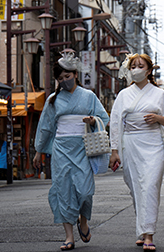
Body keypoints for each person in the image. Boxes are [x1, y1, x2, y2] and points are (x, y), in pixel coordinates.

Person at [33, 51, 110, 251]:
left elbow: (104, 117)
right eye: (60, 79)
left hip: (83, 147)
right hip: (60, 149)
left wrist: (93, 121)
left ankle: (83, 221)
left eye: (67, 76)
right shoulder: (52, 99)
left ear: (75, 74)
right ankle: (69, 236)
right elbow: (46, 127)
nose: (65, 81)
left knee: (84, 191)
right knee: (63, 190)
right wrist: (38, 151)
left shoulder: (89, 96)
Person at [109, 53, 164, 251]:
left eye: (140, 66)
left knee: (150, 186)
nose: (136, 69)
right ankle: (142, 228)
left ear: (148, 70)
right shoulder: (123, 95)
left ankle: (149, 234)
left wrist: (158, 118)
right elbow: (115, 123)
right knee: (135, 187)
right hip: (130, 143)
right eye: (133, 66)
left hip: (154, 143)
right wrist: (115, 150)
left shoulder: (160, 94)